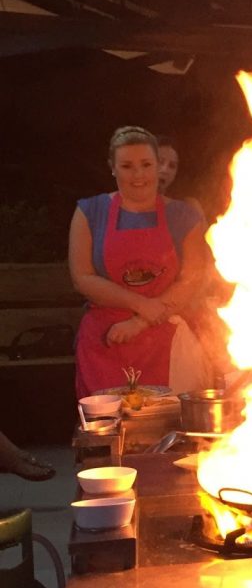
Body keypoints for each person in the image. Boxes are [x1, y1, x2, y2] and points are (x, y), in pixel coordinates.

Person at [69, 125, 209, 397]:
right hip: (105, 341)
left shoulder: (183, 216)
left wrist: (140, 322)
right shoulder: (89, 212)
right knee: (109, 421)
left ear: (158, 165)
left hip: (167, 341)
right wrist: (141, 305)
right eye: (127, 166)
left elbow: (192, 279)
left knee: (170, 421)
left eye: (146, 164)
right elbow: (82, 277)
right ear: (113, 168)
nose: (138, 175)